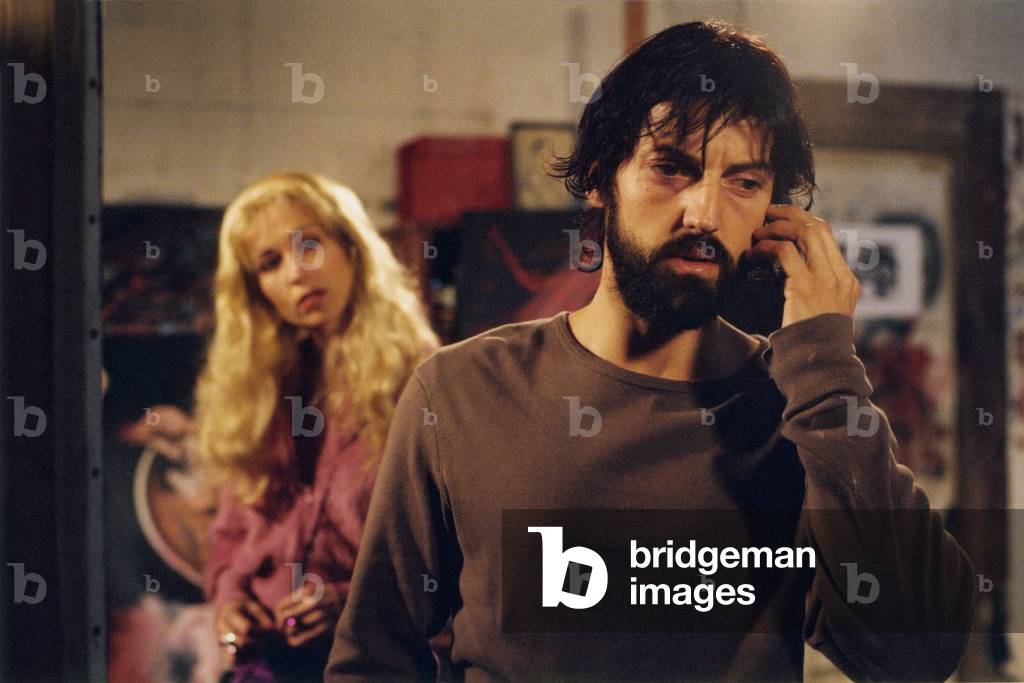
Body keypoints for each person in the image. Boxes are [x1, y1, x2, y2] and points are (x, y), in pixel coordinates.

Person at [325, 21, 975, 682]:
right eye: (670, 168)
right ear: (599, 176)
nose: (704, 213)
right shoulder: (462, 390)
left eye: (744, 183)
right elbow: (374, 657)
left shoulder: (795, 408)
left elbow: (915, 654)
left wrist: (826, 360)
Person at [133, 172, 438, 681]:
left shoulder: (427, 382)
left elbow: (447, 551)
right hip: (266, 665)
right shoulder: (253, 390)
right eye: (269, 263)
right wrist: (230, 605)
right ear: (257, 291)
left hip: (379, 661)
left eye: (309, 245)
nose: (296, 272)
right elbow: (229, 535)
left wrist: (349, 601)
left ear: (351, 248)